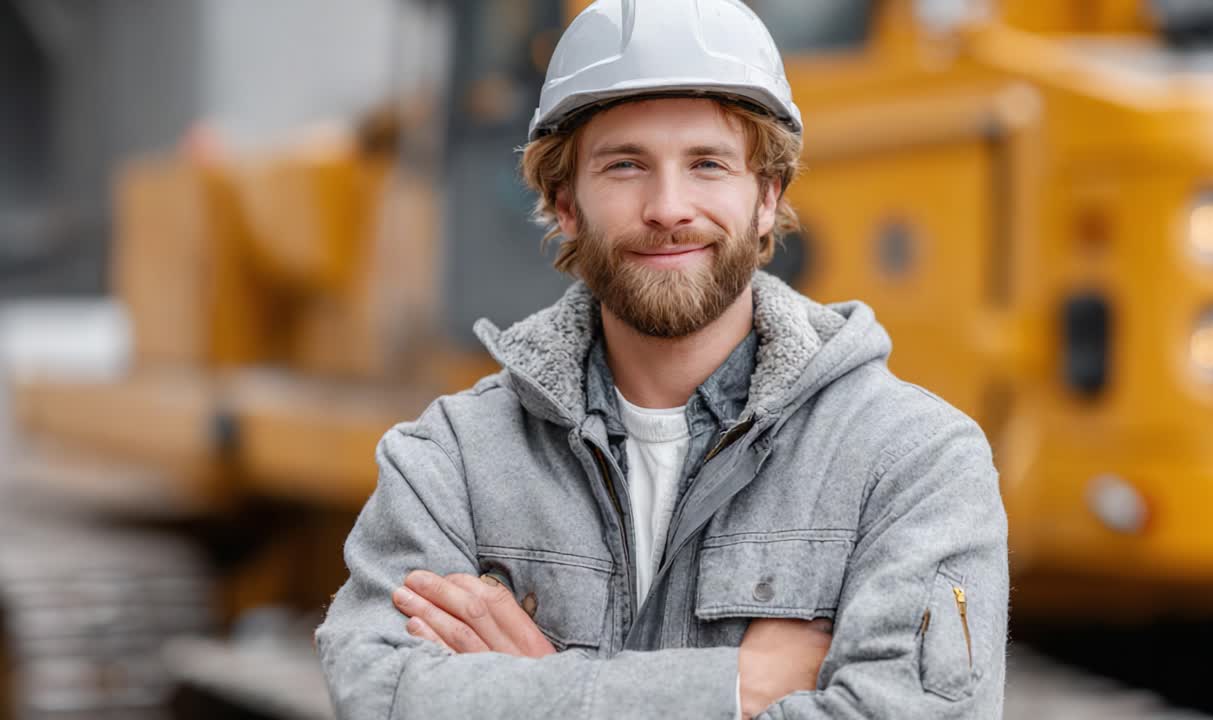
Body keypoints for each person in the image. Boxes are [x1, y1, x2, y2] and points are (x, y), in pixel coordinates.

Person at [315, 0, 1009, 717]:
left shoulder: (912, 461)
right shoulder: (453, 461)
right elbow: (377, 696)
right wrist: (731, 688)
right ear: (565, 205)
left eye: (707, 164)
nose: (669, 207)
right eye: (625, 166)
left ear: (767, 196)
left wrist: (540, 685)